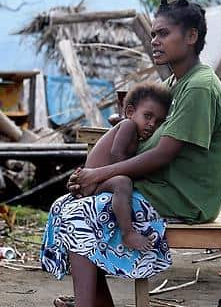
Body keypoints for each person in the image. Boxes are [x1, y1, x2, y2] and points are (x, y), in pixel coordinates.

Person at [41, 0, 221, 307]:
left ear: (191, 36)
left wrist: (98, 174)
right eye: (153, 33)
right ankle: (99, 306)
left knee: (83, 214)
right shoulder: (175, 83)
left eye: (163, 33)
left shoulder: (199, 87)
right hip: (164, 188)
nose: (155, 40)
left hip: (186, 198)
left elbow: (162, 154)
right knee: (66, 206)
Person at [74, 82, 172, 251]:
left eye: (158, 122)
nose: (151, 124)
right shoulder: (128, 125)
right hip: (93, 184)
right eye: (148, 116)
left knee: (123, 181)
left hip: (99, 181)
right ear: (130, 112)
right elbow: (116, 154)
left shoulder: (136, 132)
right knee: (123, 183)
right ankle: (128, 233)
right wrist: (136, 174)